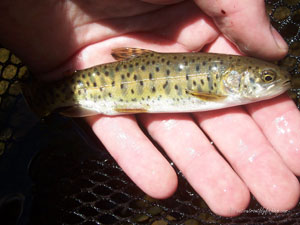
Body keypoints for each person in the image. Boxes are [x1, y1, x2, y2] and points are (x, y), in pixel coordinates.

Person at [0, 0, 299, 217]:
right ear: (231, 81)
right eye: (267, 78)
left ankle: (46, 99)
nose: (276, 81)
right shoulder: (216, 86)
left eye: (267, 77)